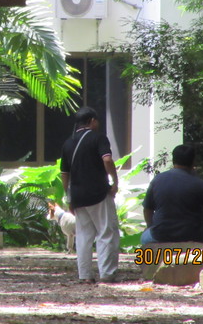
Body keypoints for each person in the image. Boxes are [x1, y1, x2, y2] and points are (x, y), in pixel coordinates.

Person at [60, 107, 120, 283]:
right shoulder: (98, 138)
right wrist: (115, 181)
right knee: (106, 232)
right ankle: (107, 274)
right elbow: (107, 159)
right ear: (92, 120)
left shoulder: (68, 143)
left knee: (84, 236)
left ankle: (85, 275)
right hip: (98, 193)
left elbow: (64, 173)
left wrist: (69, 196)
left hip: (78, 197)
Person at [141, 144, 203, 244]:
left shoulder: (157, 180)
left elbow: (147, 210)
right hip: (195, 234)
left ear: (173, 160)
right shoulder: (200, 184)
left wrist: (150, 227)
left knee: (145, 236)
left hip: (161, 235)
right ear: (193, 162)